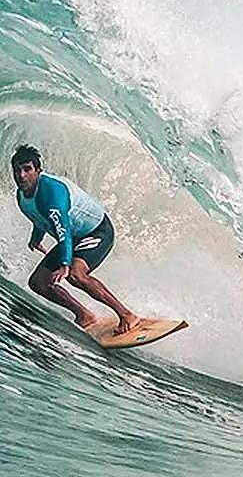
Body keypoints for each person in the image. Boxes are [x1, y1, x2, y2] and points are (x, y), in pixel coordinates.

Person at [11, 144, 145, 336]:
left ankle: (127, 315)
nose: (21, 175)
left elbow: (62, 228)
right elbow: (39, 218)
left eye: (27, 169)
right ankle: (84, 315)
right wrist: (36, 237)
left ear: (38, 170)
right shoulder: (22, 196)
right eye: (17, 170)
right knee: (38, 282)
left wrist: (65, 263)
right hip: (73, 238)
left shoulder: (52, 193)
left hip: (97, 231)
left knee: (76, 274)